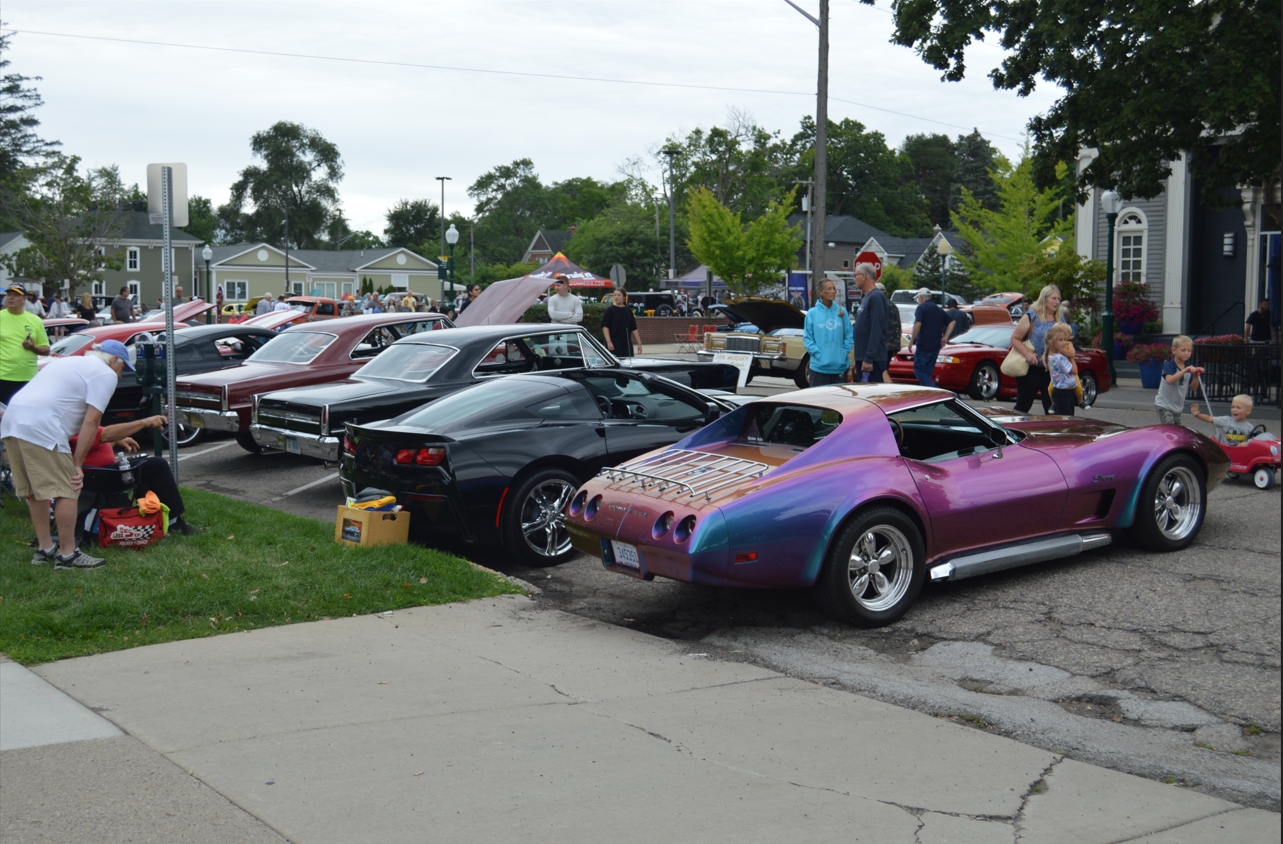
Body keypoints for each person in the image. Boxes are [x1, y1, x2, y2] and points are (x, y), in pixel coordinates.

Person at [0, 340, 133, 570]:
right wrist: (77, 464)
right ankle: (68, 555)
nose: (120, 376)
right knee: (69, 487)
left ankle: (45, 549)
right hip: (42, 426)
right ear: (113, 360)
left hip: (12, 421)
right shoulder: (105, 374)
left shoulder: (69, 362)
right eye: (122, 369)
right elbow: (91, 421)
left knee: (36, 490)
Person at [70, 414, 199, 535]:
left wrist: (116, 441)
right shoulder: (70, 423)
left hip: (102, 472)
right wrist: (145, 422)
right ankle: (175, 523)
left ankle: (150, 520)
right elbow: (104, 434)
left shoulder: (76, 419)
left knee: (146, 468)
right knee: (157, 466)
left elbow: (93, 442)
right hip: (93, 477)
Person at [1009, 284, 1063, 414]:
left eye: (1058, 299)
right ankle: (1010, 427)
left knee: (1053, 410)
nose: (1057, 302)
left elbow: (1065, 342)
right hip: (1031, 369)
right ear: (1044, 299)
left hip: (1052, 371)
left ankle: (1050, 428)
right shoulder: (1032, 315)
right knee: (1023, 406)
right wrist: (1027, 354)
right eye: (1053, 298)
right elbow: (1015, 338)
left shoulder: (1060, 319)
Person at [1, 285, 52, 405]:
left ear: (25, 299)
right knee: (3, 414)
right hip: (3, 377)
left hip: (28, 377)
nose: (11, 298)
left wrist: (32, 347)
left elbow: (46, 350)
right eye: (9, 295)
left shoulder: (35, 320)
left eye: (16, 295)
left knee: (24, 413)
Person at [803, 277, 854, 386]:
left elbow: (849, 335)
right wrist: (819, 355)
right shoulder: (812, 313)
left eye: (834, 288)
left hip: (840, 368)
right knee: (818, 397)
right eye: (829, 289)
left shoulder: (842, 312)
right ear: (821, 292)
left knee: (839, 397)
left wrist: (843, 353)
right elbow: (808, 339)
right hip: (818, 368)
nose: (833, 291)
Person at [849, 264, 888, 383]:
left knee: (873, 393)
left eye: (855, 275)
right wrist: (860, 359)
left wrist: (869, 358)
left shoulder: (876, 297)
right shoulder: (867, 297)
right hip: (864, 358)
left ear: (864, 276)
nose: (854, 279)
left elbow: (876, 329)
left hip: (873, 360)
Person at [1154, 334, 1201, 426]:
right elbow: (1169, 380)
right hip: (1164, 404)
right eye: (1183, 350)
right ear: (1174, 350)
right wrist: (1184, 371)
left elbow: (1193, 387)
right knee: (1169, 428)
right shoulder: (1170, 365)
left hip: (1177, 406)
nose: (1186, 353)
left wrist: (1196, 375)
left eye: (1189, 350)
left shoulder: (1188, 366)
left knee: (1177, 429)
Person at [909, 287, 946, 387]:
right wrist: (945, 337)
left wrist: (912, 341)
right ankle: (926, 392)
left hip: (923, 345)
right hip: (935, 346)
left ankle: (934, 389)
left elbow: (918, 324)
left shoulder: (921, 308)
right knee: (927, 373)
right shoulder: (938, 309)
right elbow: (952, 322)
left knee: (919, 370)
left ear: (921, 297)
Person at [1190, 395, 1256, 448]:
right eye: (1232, 407)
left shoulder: (1249, 427)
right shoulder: (1226, 420)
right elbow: (1210, 418)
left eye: (1238, 408)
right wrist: (1197, 415)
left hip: (1238, 453)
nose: (1234, 410)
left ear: (1248, 411)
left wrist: (1246, 443)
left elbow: (1253, 443)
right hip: (1224, 451)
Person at [1044, 323, 1080, 416]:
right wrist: (1071, 357)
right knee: (1067, 419)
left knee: (1067, 418)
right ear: (1050, 342)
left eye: (1064, 339)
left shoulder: (1050, 356)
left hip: (1065, 392)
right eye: (1060, 340)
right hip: (1063, 393)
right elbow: (1075, 371)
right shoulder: (1059, 358)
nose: (1064, 343)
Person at [601, 288, 643, 357]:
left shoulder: (628, 310)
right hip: (614, 342)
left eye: (619, 295)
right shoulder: (610, 310)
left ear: (624, 297)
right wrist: (609, 342)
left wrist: (639, 343)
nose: (616, 297)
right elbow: (605, 327)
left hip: (626, 343)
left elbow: (634, 328)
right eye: (615, 295)